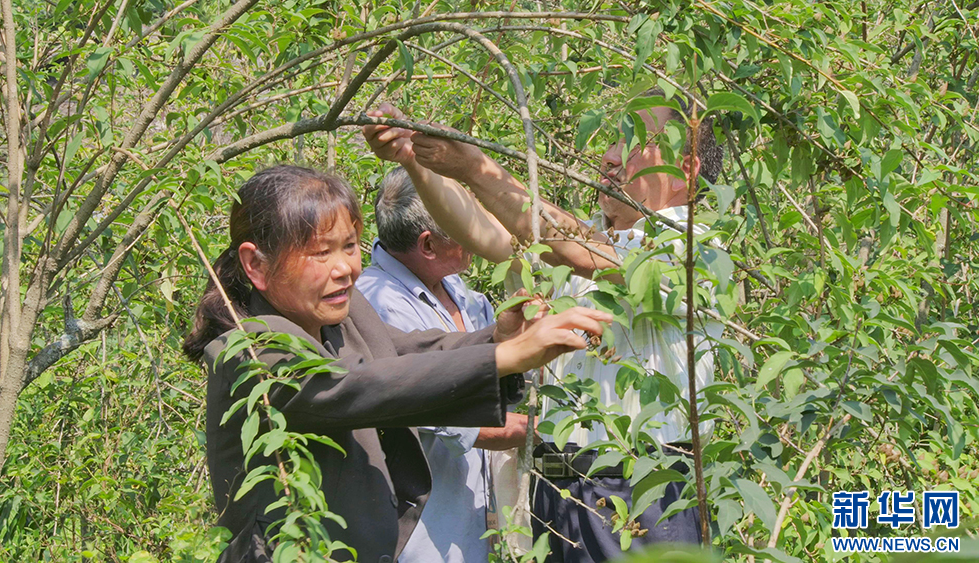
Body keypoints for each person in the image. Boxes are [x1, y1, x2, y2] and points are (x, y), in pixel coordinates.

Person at [182, 165, 613, 563]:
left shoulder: (344, 315)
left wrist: (497, 339)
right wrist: (501, 358)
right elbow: (353, 385)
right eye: (319, 253)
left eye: (349, 246)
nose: (345, 269)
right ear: (256, 264)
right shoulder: (248, 347)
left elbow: (411, 352)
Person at [362, 90, 725, 562]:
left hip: (643, 493)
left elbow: (577, 249)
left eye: (636, 144)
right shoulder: (582, 242)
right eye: (614, 140)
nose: (611, 158)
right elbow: (484, 230)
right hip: (557, 492)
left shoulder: (696, 248)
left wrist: (476, 168)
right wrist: (415, 160)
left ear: (687, 167)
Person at [356, 166, 530, 562]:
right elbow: (458, 420)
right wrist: (554, 434)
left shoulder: (457, 288)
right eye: (461, 225)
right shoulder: (378, 303)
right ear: (428, 244)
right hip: (424, 531)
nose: (475, 232)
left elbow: (501, 370)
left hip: (471, 522)